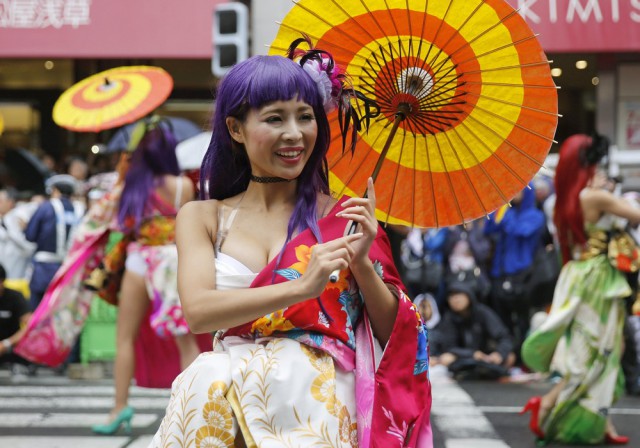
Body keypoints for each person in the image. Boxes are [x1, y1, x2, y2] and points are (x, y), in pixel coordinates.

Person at [150, 52, 432, 447]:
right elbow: (198, 312)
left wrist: (363, 264)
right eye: (274, 118)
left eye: (305, 116)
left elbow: (396, 336)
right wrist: (301, 287)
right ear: (235, 128)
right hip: (221, 410)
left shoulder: (347, 215)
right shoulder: (202, 216)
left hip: (318, 411)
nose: (295, 134)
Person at [520, 134, 638, 445]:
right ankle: (547, 405)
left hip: (580, 275)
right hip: (598, 281)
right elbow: (636, 215)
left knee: (601, 349)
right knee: (601, 351)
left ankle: (603, 422)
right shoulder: (594, 197)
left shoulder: (566, 199)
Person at [91, 120, 201, 435]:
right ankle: (193, 405)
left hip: (140, 259)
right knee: (185, 339)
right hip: (172, 260)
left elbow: (117, 223)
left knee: (124, 337)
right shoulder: (183, 185)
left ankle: (120, 406)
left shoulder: (133, 187)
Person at [432, 281, 515, 380]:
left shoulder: (482, 313)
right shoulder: (448, 318)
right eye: (451, 296)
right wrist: (473, 354)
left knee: (510, 356)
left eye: (459, 294)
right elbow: (448, 346)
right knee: (447, 358)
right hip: (462, 357)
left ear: (469, 296)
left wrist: (499, 353)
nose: (455, 299)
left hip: (485, 356)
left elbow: (504, 336)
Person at [24, 174, 83, 310]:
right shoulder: (80, 210)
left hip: (44, 268)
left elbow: (30, 235)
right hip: (70, 269)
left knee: (37, 311)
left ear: (55, 190)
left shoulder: (46, 207)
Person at [0, 263, 33, 383]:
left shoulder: (15, 297)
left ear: (2, 282)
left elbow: (30, 324)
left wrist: (6, 343)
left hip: (11, 346)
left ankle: (21, 366)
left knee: (29, 337)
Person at [0, 187, 36, 280]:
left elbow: (30, 247)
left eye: (1, 201)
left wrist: (9, 233)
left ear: (10, 202)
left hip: (17, 272)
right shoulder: (3, 219)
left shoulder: (19, 216)